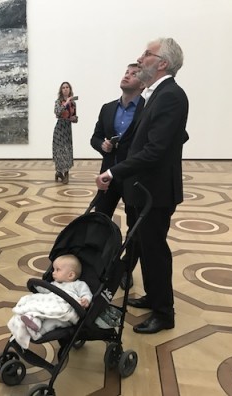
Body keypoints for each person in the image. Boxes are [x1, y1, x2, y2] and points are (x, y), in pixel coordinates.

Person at [96, 38, 189, 334]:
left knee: (155, 250)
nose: (140, 58)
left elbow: (155, 150)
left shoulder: (171, 95)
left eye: (147, 54)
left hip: (156, 192)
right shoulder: (158, 95)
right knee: (145, 248)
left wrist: (114, 171)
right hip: (144, 188)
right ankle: (153, 297)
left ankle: (164, 313)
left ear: (162, 63)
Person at [90, 64, 145, 290]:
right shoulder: (107, 108)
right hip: (108, 176)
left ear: (143, 84)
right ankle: (98, 264)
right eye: (126, 72)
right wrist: (102, 146)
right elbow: (95, 137)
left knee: (135, 229)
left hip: (134, 178)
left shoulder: (147, 108)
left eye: (134, 74)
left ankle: (125, 269)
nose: (127, 75)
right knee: (99, 221)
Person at [7, 255, 92, 349]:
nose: (53, 273)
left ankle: (38, 332)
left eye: (57, 270)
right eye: (53, 269)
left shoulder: (78, 284)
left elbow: (86, 294)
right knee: (37, 306)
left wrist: (86, 300)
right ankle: (32, 320)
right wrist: (38, 286)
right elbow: (46, 292)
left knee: (52, 322)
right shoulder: (55, 284)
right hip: (51, 304)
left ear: (70, 275)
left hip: (65, 311)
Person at [52, 82, 78, 184]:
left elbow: (75, 118)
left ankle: (66, 174)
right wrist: (66, 102)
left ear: (70, 89)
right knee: (59, 151)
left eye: (67, 87)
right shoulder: (58, 101)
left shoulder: (73, 103)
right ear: (61, 90)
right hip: (59, 129)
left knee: (67, 151)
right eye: (63, 88)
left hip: (68, 129)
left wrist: (74, 118)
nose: (65, 89)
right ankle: (59, 172)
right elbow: (57, 112)